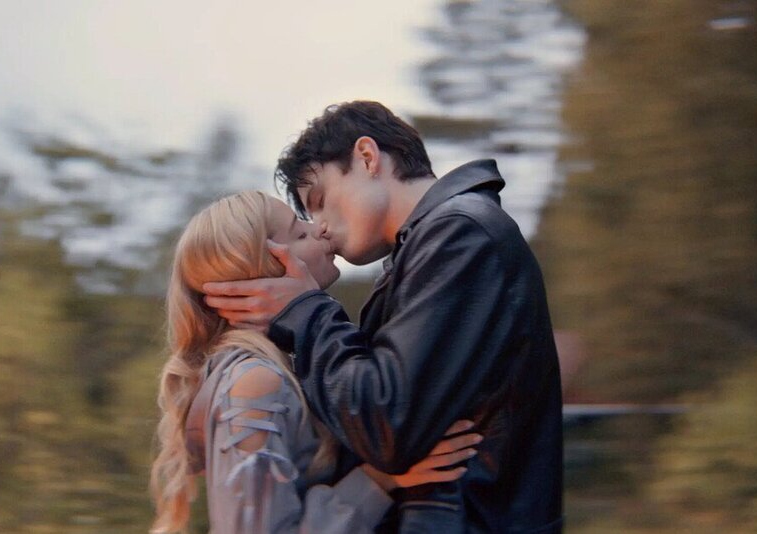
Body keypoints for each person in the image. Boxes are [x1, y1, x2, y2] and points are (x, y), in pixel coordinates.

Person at [203, 101, 563, 532]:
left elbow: (385, 425)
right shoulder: (429, 249)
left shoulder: (460, 235)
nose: (319, 227)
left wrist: (306, 312)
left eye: (320, 201)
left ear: (367, 157)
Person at [150, 191, 483, 533]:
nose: (318, 229)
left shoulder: (283, 364)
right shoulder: (254, 381)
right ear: (266, 269)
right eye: (299, 232)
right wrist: (379, 478)